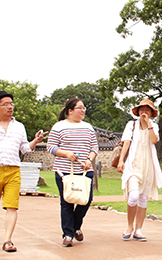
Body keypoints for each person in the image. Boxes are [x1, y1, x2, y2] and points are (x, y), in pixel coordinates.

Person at [0, 90, 46, 253]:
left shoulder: (19, 126)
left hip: (14, 171)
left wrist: (35, 141)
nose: (10, 107)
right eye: (5, 104)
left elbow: (24, 149)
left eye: (11, 104)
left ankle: (8, 240)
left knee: (12, 206)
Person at [47, 98, 98, 247]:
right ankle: (68, 234)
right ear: (70, 111)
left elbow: (94, 147)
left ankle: (76, 226)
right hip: (64, 171)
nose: (83, 111)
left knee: (86, 200)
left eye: (84, 108)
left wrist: (89, 159)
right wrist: (66, 154)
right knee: (67, 203)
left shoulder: (88, 127)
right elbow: (51, 147)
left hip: (84, 171)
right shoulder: (58, 127)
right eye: (80, 108)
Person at [117, 98, 162, 242]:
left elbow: (154, 140)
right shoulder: (131, 125)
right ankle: (129, 226)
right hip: (133, 165)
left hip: (148, 166)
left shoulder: (154, 126)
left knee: (143, 198)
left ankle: (138, 230)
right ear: (137, 111)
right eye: (142, 109)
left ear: (151, 113)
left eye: (147, 110)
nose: (144, 112)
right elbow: (126, 142)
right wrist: (121, 160)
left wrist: (148, 124)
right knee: (133, 196)